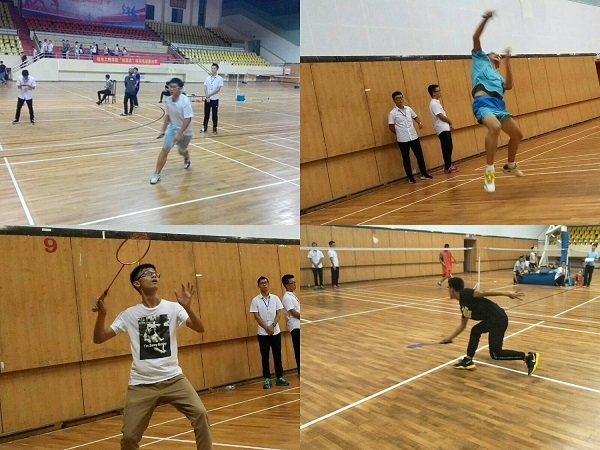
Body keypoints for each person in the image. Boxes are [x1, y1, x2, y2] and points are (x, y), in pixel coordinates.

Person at [92, 264, 213, 450]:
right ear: (137, 283)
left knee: (201, 414)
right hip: (141, 384)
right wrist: (102, 314)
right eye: (147, 274)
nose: (154, 276)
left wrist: (188, 308)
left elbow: (200, 328)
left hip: (174, 379)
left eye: (155, 273)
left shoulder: (173, 308)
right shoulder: (129, 315)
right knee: (129, 437)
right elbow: (99, 338)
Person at [440, 277, 539, 375]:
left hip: (499, 319)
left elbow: (484, 292)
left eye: (448, 287)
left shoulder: (465, 293)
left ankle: (528, 357)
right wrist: (448, 338)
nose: (447, 290)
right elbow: (462, 325)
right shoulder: (463, 305)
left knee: (496, 354)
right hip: (491, 320)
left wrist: (508, 293)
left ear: (452, 289)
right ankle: (468, 360)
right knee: (475, 331)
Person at [472, 10, 524, 192]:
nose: (497, 55)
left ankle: (510, 165)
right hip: (483, 103)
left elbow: (509, 85)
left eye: (499, 55)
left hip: (499, 106)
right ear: (486, 56)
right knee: (494, 128)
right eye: (494, 53)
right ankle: (489, 174)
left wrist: (508, 63)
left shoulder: (499, 77)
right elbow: (476, 37)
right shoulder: (480, 60)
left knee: (517, 135)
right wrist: (485, 19)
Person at [150, 77, 193, 185]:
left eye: (174, 87)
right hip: (173, 128)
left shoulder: (185, 101)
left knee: (181, 151)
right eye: (170, 87)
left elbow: (188, 119)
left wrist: (179, 134)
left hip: (186, 131)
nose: (171, 89)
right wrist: (163, 130)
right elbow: (168, 116)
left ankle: (186, 156)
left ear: (180, 89)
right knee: (165, 150)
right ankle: (157, 174)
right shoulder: (168, 100)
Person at [249, 276, 289, 389]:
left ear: (268, 284)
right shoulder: (255, 300)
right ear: (258, 285)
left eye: (266, 282)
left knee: (277, 355)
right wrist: (266, 327)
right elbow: (256, 316)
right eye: (262, 283)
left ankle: (279, 377)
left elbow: (279, 313)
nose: (264, 284)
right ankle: (267, 379)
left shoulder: (275, 298)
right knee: (265, 357)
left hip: (275, 332)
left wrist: (273, 325)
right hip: (263, 333)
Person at [388, 91, 433, 184]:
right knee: (406, 158)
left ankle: (424, 174)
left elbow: (415, 117)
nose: (400, 100)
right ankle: (410, 177)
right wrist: (398, 133)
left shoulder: (409, 109)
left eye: (401, 97)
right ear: (394, 100)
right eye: (397, 98)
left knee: (419, 155)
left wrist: (419, 123)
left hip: (413, 136)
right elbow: (391, 126)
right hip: (402, 139)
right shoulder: (392, 113)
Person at [428, 84, 458, 173]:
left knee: (449, 147)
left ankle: (448, 164)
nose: (440, 92)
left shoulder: (437, 103)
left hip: (445, 127)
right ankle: (447, 166)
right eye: (438, 91)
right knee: (446, 147)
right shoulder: (434, 103)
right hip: (441, 128)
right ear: (433, 93)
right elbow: (440, 116)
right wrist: (450, 121)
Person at [281, 274, 300, 375]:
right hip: (295, 326)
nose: (294, 284)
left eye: (294, 282)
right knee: (298, 350)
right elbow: (293, 312)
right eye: (292, 283)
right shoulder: (287, 298)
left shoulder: (292, 295)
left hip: (299, 325)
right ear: (286, 285)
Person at [201, 63, 224, 135]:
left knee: (214, 114)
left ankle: (214, 128)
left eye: (214, 68)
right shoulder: (208, 78)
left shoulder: (219, 78)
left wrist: (209, 95)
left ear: (217, 69)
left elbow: (218, 89)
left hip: (214, 99)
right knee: (206, 114)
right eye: (212, 68)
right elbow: (205, 87)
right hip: (207, 99)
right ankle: (205, 127)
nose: (213, 70)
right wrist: (207, 96)